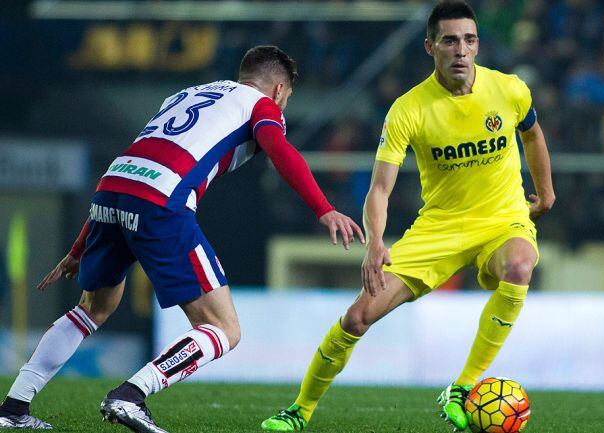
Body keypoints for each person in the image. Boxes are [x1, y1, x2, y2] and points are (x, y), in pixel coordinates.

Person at [0, 45, 364, 432]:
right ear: (278, 90)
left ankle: (13, 407)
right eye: (287, 96)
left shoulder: (185, 95)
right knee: (224, 328)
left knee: (94, 307)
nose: (284, 103)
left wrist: (79, 247)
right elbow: (280, 150)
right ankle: (130, 395)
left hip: (111, 188)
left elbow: (142, 160)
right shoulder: (261, 105)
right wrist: (324, 208)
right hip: (161, 199)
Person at [261, 1, 555, 431]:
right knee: (357, 318)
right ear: (430, 46)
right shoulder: (408, 109)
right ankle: (299, 410)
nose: (461, 50)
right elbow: (380, 188)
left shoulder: (510, 90)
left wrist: (546, 193)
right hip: (440, 228)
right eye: (450, 41)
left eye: (469, 40)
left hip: (502, 220)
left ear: (478, 45)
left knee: (520, 265)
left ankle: (463, 386)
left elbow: (533, 136)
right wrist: (375, 244)